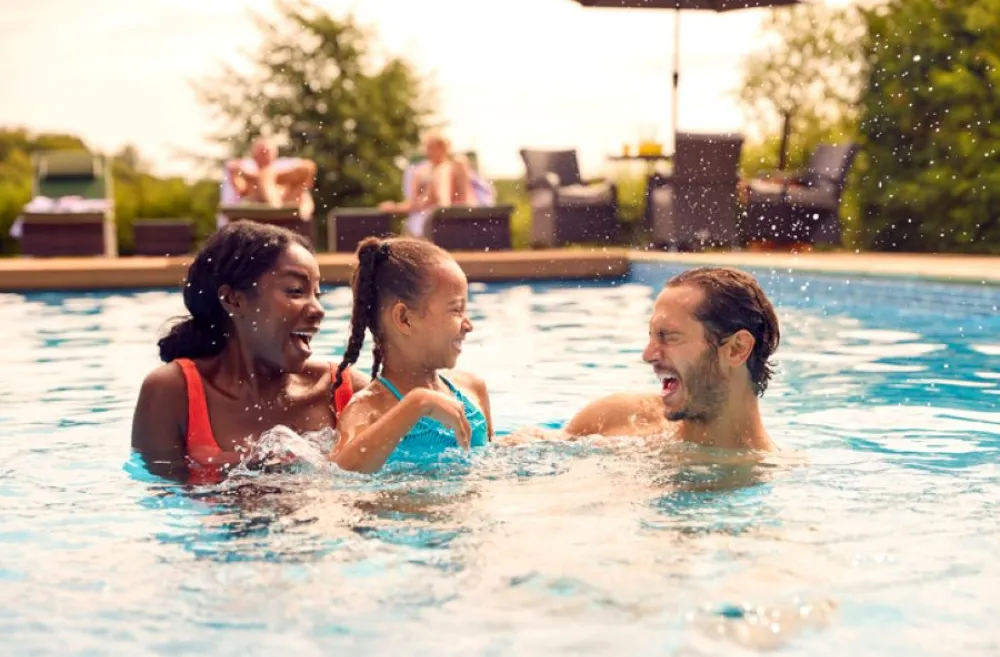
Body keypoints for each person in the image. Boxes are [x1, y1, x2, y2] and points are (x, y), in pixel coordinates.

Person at [130, 221, 369, 482]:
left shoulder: (344, 391)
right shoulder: (173, 393)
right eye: (296, 291)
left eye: (317, 295)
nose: (318, 310)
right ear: (233, 299)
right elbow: (163, 498)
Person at [562, 267, 780, 452]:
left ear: (736, 349)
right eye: (652, 336)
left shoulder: (761, 476)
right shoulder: (614, 419)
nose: (648, 355)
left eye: (668, 336)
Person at [329, 236, 494, 473]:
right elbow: (339, 472)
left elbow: (490, 465)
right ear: (404, 319)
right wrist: (416, 404)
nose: (468, 325)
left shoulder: (473, 390)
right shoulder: (367, 410)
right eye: (456, 309)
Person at [379, 131, 481, 236]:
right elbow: (419, 203)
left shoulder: (456, 166)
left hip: (461, 218)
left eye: (431, 148)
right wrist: (394, 208)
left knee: (448, 168)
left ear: (443, 148)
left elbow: (462, 197)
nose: (428, 152)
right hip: (439, 221)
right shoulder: (423, 173)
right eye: (427, 148)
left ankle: (449, 213)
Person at [225, 137, 317, 218]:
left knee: (268, 174)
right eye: (261, 153)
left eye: (267, 152)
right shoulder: (247, 174)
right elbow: (240, 189)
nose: (265, 156)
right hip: (262, 207)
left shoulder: (283, 167)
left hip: (287, 204)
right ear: (254, 156)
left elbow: (308, 168)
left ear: (275, 153)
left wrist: (275, 176)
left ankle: (276, 209)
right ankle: (276, 209)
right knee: (265, 175)